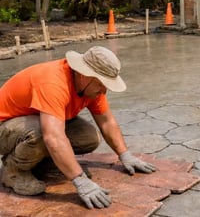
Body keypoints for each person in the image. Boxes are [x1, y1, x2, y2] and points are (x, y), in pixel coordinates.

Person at [0, 46, 156, 209]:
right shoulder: (53, 82)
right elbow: (53, 137)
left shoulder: (91, 88)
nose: (104, 90)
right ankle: (13, 172)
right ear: (84, 74)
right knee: (42, 133)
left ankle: (45, 163)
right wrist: (80, 180)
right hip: (4, 128)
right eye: (101, 84)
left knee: (87, 137)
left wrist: (125, 155)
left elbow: (106, 122)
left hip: (31, 122)